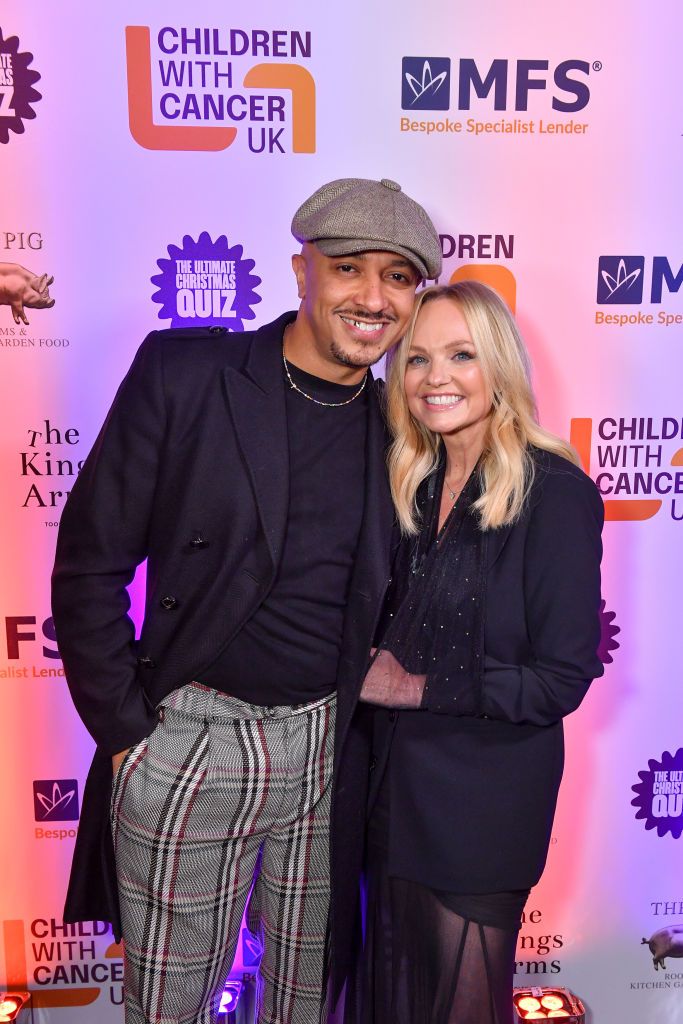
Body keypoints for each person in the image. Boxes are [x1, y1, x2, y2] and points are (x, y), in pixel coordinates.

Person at [51, 177, 442, 1024]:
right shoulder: (188, 375)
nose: (372, 297)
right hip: (192, 737)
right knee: (171, 1007)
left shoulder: (404, 426)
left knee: (306, 1004)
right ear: (302, 270)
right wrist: (129, 734)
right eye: (348, 268)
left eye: (398, 277)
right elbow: (88, 564)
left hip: (328, 746)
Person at [346, 281, 604, 1024]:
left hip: (481, 808)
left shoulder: (554, 493)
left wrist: (413, 686)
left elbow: (559, 679)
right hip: (387, 799)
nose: (437, 377)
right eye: (417, 359)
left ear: (498, 366)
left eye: (461, 355)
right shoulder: (410, 481)